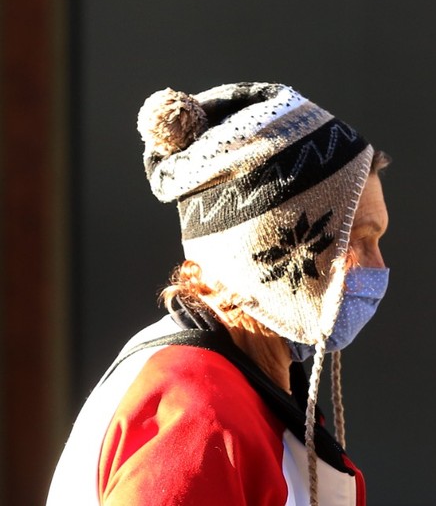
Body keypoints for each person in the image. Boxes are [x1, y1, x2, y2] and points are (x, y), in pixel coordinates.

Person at [47, 82, 390, 506]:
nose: (378, 266)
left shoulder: (240, 385)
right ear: (278, 253)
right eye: (358, 240)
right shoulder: (198, 414)